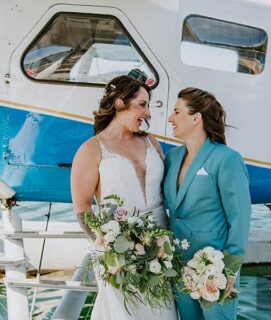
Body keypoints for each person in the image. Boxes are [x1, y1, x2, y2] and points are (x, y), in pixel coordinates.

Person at [71, 75, 177, 320]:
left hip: (162, 250)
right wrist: (105, 244)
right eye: (142, 104)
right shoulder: (92, 149)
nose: (148, 112)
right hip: (118, 256)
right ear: (119, 104)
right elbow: (82, 206)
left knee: (164, 313)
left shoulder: (151, 142)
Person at [163, 87, 251, 320]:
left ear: (196, 118)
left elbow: (239, 217)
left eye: (176, 112)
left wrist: (231, 269)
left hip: (215, 267)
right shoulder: (172, 157)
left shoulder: (227, 158)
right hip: (178, 264)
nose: (170, 118)